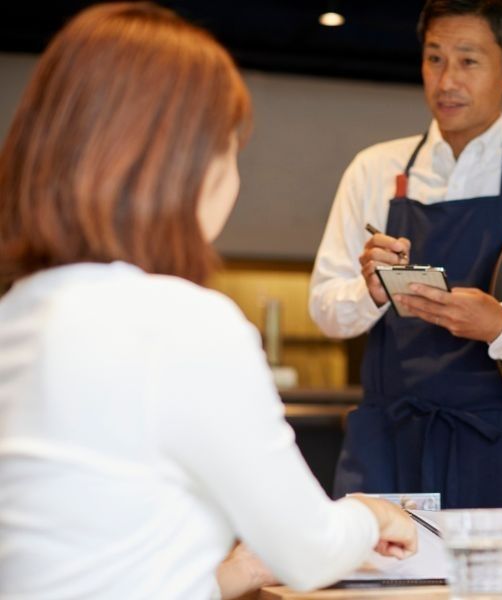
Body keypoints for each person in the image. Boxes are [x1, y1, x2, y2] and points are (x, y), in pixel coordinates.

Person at [0, 4, 416, 599]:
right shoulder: (181, 322)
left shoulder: (17, 314)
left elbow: (93, 569)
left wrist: (236, 573)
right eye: (228, 148)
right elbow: (310, 550)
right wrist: (373, 515)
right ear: (181, 164)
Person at [309, 0, 502, 523]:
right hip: (387, 439)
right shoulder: (373, 169)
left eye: (468, 61)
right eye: (434, 58)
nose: (446, 81)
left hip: (501, 442)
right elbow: (325, 308)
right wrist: (369, 291)